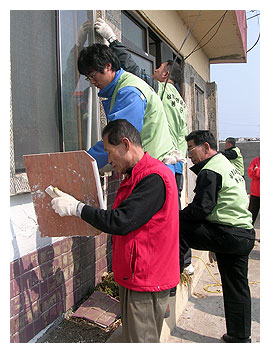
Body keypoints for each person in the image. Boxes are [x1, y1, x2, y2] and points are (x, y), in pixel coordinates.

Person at [50, 119, 180, 343]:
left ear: (125, 144)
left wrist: (76, 208)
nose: (109, 161)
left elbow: (120, 221)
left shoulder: (152, 178)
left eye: (110, 152)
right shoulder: (138, 175)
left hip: (146, 279)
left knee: (143, 342)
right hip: (137, 275)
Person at [93, 18, 193, 275]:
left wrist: (114, 41)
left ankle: (167, 277)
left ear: (166, 74)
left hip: (158, 164)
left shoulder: (154, 89)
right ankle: (183, 265)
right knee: (169, 220)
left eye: (159, 68)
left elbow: (133, 72)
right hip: (173, 161)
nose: (155, 71)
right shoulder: (180, 100)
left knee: (153, 227)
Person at [179, 130, 255, 343]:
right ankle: (239, 337)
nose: (189, 155)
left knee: (177, 225)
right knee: (237, 287)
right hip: (244, 234)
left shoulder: (210, 170)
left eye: (191, 149)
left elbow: (201, 209)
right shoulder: (226, 165)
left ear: (205, 147)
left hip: (227, 235)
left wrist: (175, 215)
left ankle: (178, 269)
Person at [77, 42, 183, 174]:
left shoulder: (129, 92)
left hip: (155, 169)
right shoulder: (122, 86)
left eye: (92, 76)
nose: (92, 82)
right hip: (152, 165)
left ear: (108, 66)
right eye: (88, 79)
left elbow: (117, 139)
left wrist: (80, 164)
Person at [248, 156, 260, 225]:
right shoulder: (255, 160)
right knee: (251, 216)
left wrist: (257, 170)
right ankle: (248, 233)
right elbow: (250, 173)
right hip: (255, 194)